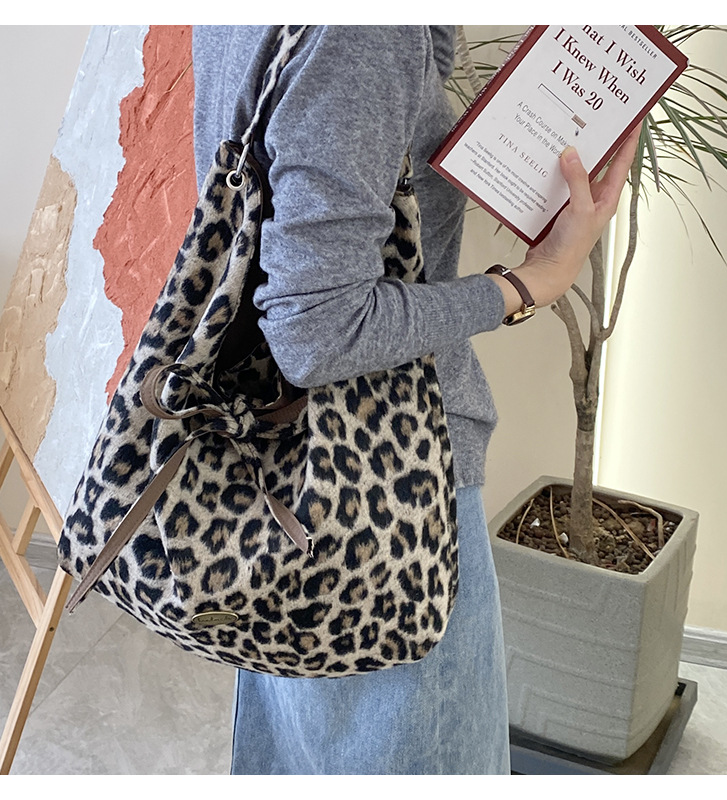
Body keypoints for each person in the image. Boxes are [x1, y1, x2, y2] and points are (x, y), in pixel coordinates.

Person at [191, 25, 639, 775]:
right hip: (387, 489)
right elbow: (316, 330)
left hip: (274, 465)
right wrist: (530, 283)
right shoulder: (367, 31)